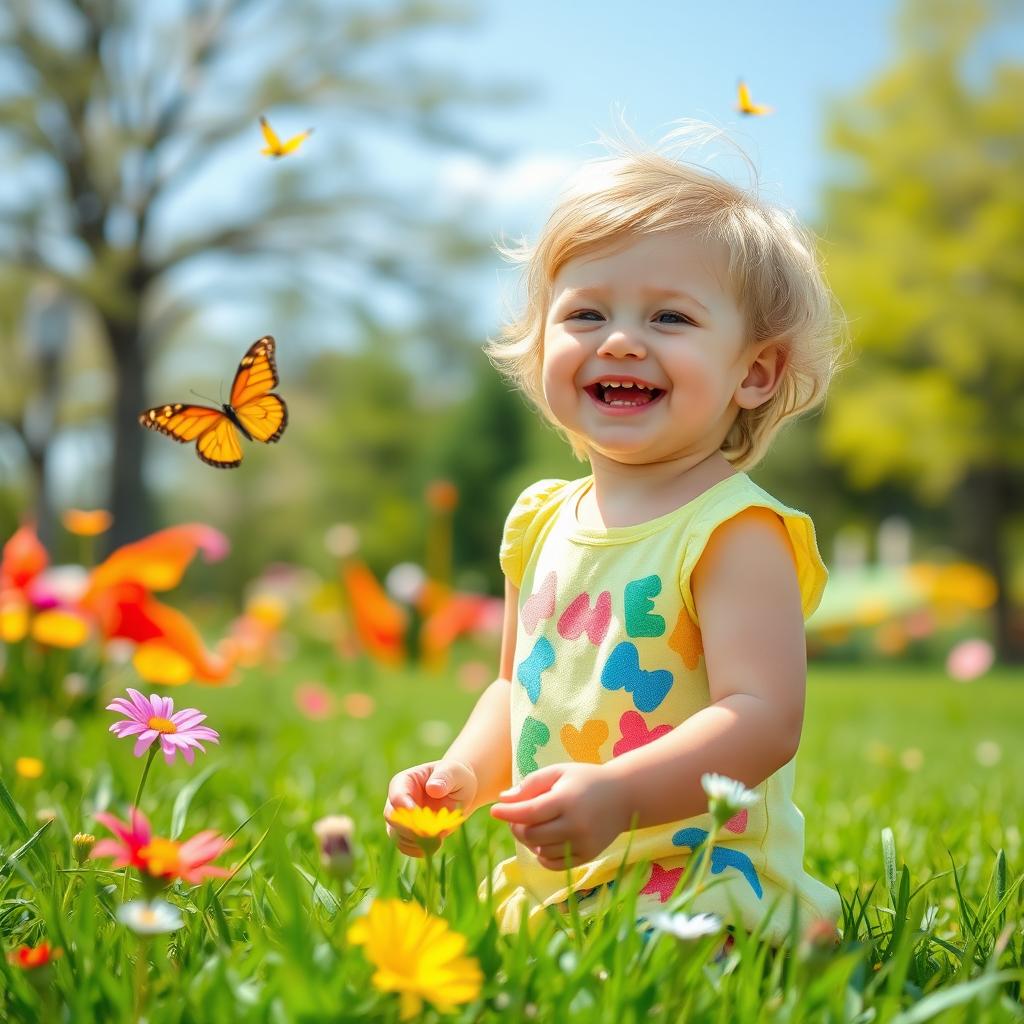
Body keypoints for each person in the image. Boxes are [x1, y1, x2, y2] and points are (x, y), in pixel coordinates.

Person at [385, 126, 845, 943]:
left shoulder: (733, 530)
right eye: (586, 313)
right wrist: (460, 772)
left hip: (703, 888)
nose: (621, 339)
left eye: (670, 317)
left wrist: (619, 794)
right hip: (560, 884)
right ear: (541, 348)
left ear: (755, 372)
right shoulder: (538, 522)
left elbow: (763, 716)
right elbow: (510, 692)